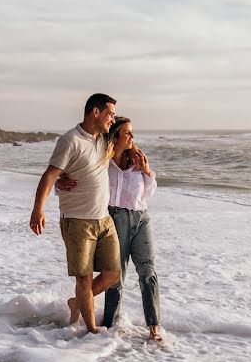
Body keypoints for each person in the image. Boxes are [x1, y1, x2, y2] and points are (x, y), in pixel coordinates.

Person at [58, 116, 162, 341]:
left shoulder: (137, 159)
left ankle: (154, 326)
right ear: (115, 136)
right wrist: (59, 183)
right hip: (113, 218)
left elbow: (149, 192)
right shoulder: (101, 161)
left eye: (132, 132)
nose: (132, 137)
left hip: (141, 218)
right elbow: (75, 180)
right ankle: (109, 325)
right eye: (127, 133)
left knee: (148, 271)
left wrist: (146, 170)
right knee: (116, 277)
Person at [29, 94, 122, 334]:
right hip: (78, 221)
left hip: (104, 220)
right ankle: (91, 331)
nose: (112, 119)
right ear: (95, 112)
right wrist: (38, 209)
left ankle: (77, 302)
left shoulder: (104, 139)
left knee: (112, 274)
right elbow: (50, 174)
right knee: (84, 279)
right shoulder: (70, 140)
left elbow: (125, 131)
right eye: (109, 113)